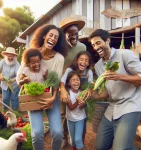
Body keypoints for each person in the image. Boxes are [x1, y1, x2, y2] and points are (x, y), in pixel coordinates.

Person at [88, 29, 141, 150]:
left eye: (98, 43)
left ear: (107, 41)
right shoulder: (99, 65)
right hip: (113, 107)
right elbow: (107, 92)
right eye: (93, 45)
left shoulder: (125, 54)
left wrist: (119, 76)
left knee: (120, 148)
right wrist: (94, 95)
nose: (96, 47)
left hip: (131, 105)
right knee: (100, 146)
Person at [16, 24, 68, 150]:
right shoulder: (30, 53)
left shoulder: (59, 58)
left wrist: (52, 98)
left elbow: (55, 82)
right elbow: (19, 78)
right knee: (37, 133)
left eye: (56, 37)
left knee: (57, 133)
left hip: (51, 96)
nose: (53, 38)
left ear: (58, 41)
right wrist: (24, 80)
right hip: (33, 97)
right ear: (44, 36)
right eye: (51, 35)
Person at [59, 15, 86, 147]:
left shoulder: (82, 47)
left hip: (76, 82)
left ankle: (80, 138)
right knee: (64, 111)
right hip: (62, 84)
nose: (74, 36)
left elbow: (83, 64)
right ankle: (65, 136)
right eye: (70, 34)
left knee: (80, 107)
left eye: (76, 33)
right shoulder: (59, 47)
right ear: (64, 34)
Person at [65, 71, 86, 150]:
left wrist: (82, 104)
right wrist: (77, 102)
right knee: (73, 141)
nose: (76, 82)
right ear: (69, 83)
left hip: (80, 119)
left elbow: (81, 107)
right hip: (70, 119)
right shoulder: (67, 93)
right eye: (73, 80)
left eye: (77, 80)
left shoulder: (82, 93)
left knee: (78, 139)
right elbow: (70, 107)